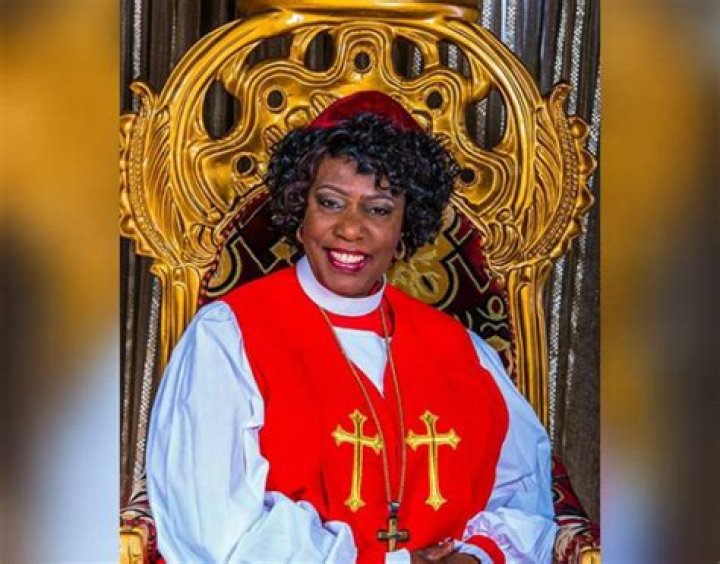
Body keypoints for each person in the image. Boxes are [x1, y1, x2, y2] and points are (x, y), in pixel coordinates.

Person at [146, 91, 557, 563]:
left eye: (379, 209)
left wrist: (477, 557)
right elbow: (214, 530)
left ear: (406, 225)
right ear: (300, 212)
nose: (351, 229)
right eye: (330, 202)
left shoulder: (463, 352)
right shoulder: (225, 337)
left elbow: (526, 498)